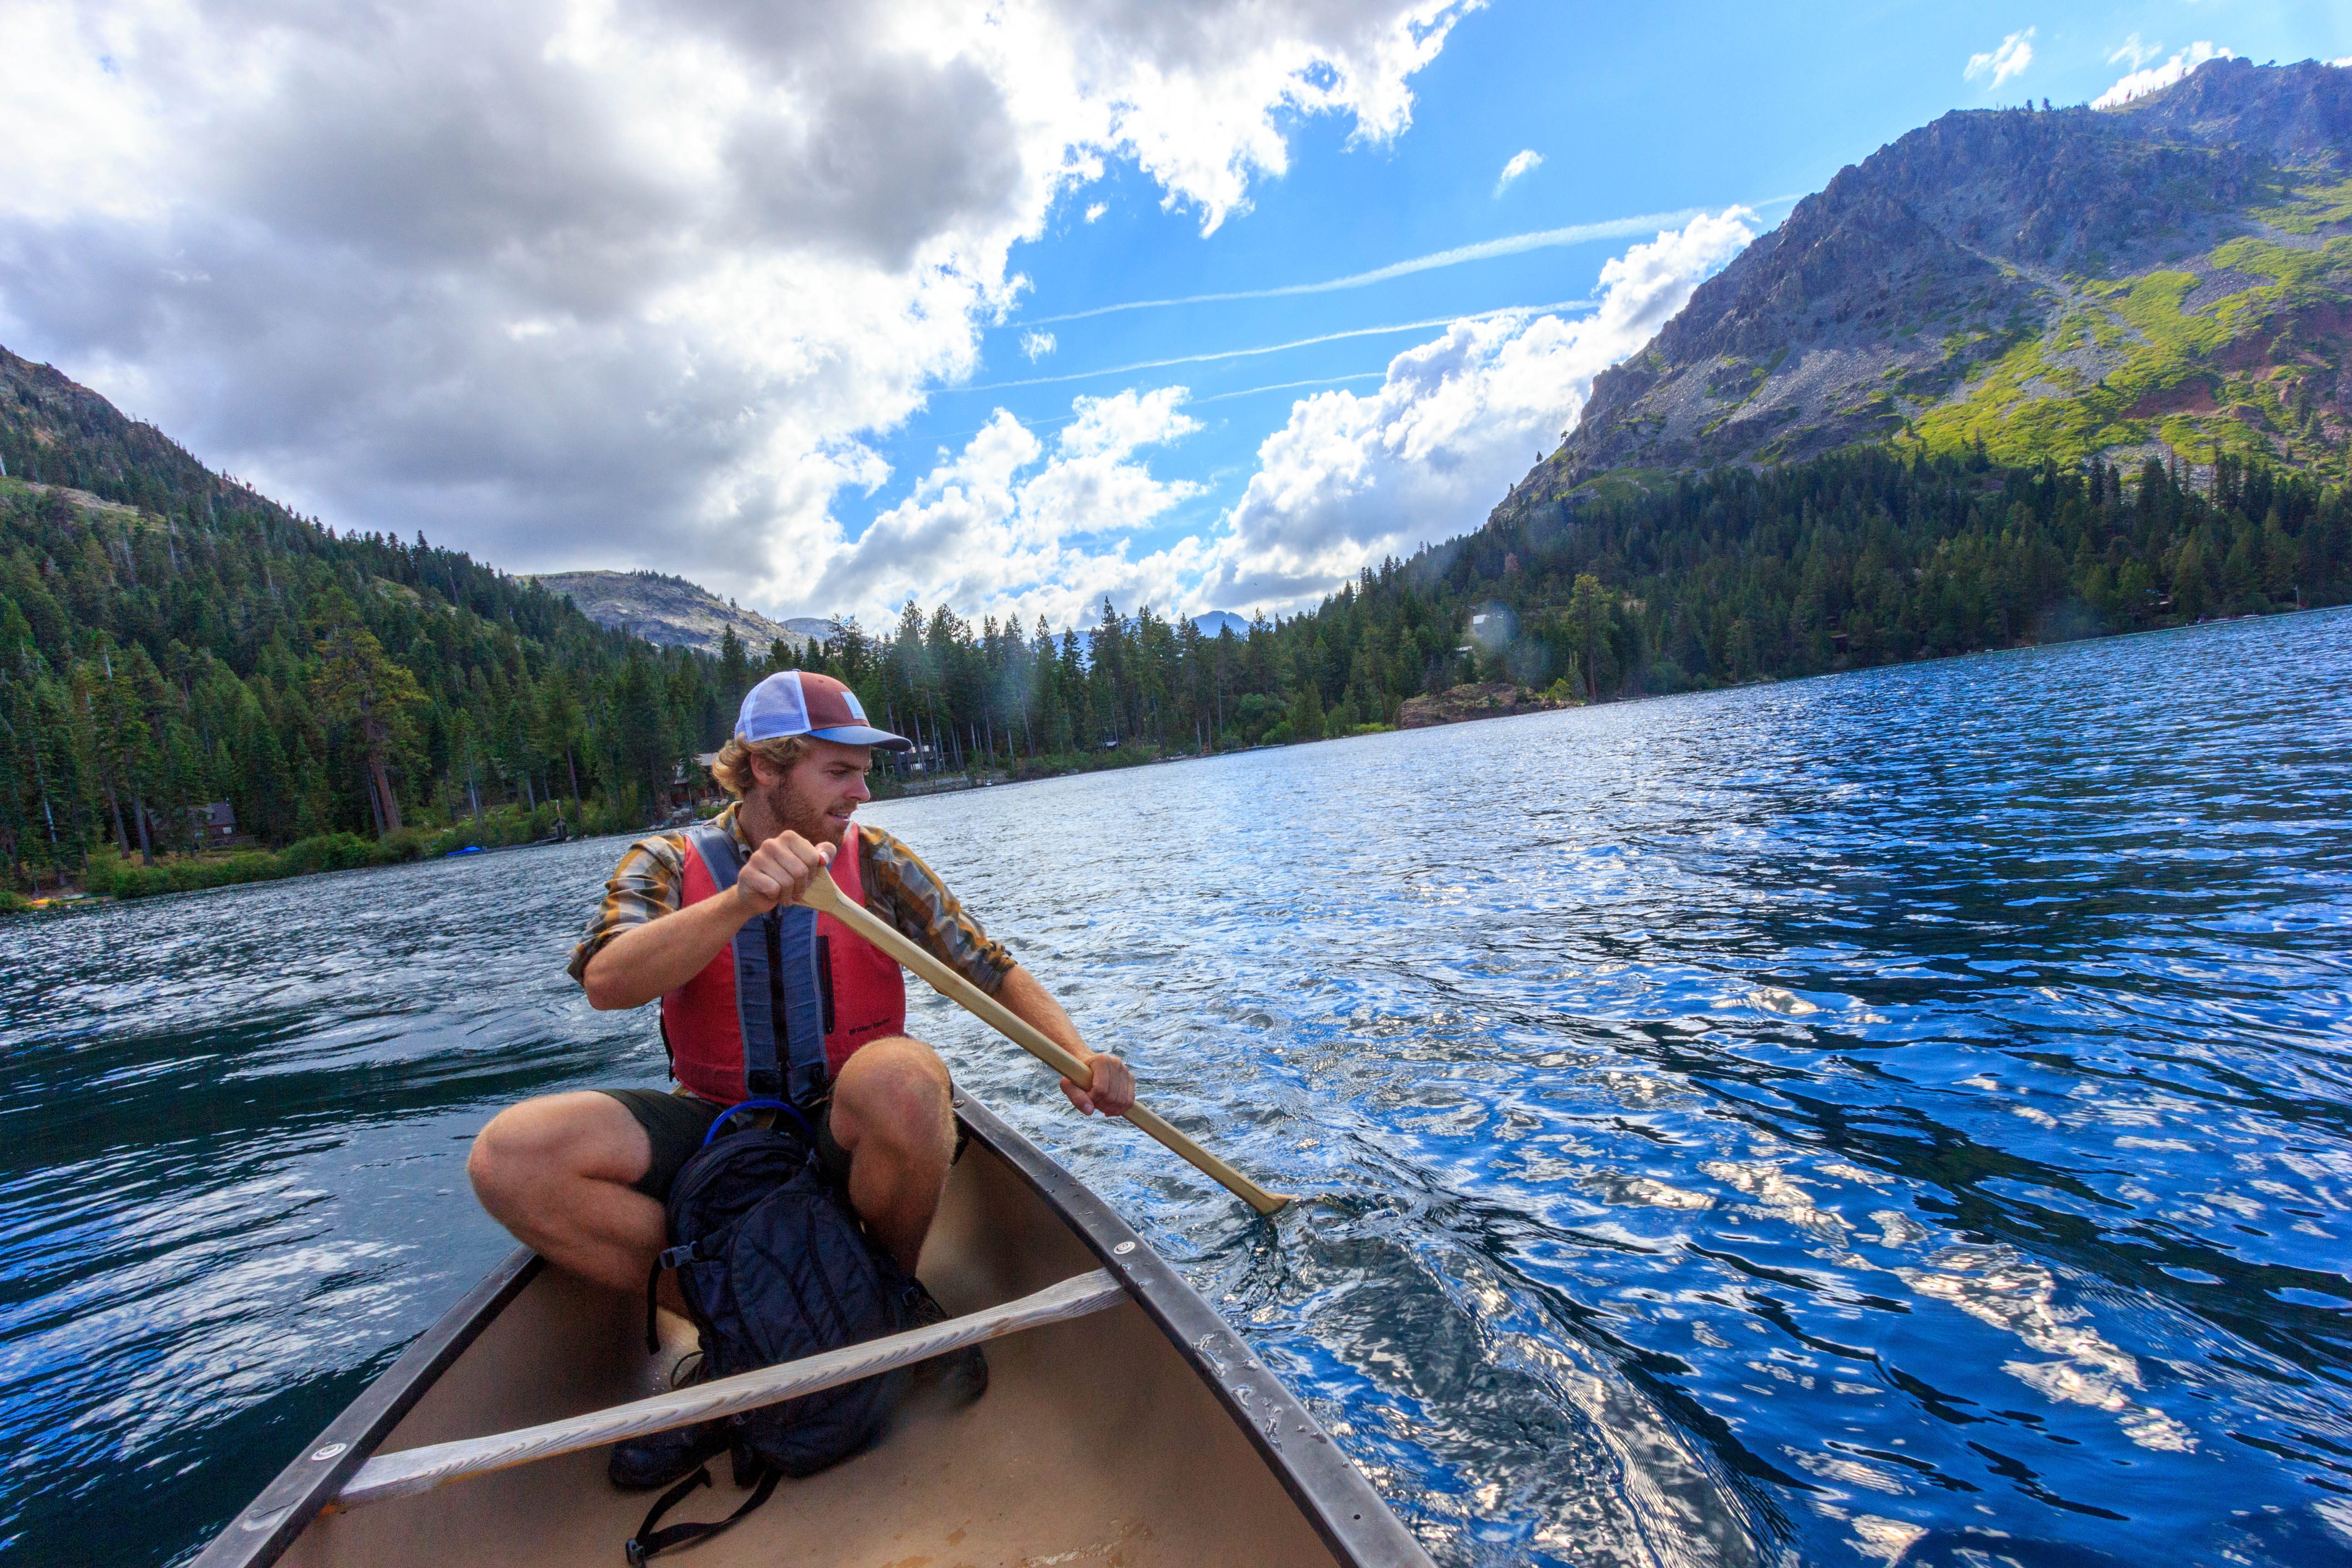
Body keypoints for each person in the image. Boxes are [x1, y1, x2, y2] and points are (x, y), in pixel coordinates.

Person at [465, 668, 1135, 1487]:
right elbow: (608, 980)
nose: (863, 791)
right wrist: (737, 903)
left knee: (906, 1077)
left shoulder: (879, 861)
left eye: (864, 770)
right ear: (765, 768)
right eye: (839, 770)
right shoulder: (666, 860)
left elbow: (986, 967)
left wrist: (1079, 1057)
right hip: (722, 1132)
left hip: (839, 1123)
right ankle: (737, 1340)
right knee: (510, 1158)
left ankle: (885, 1302)